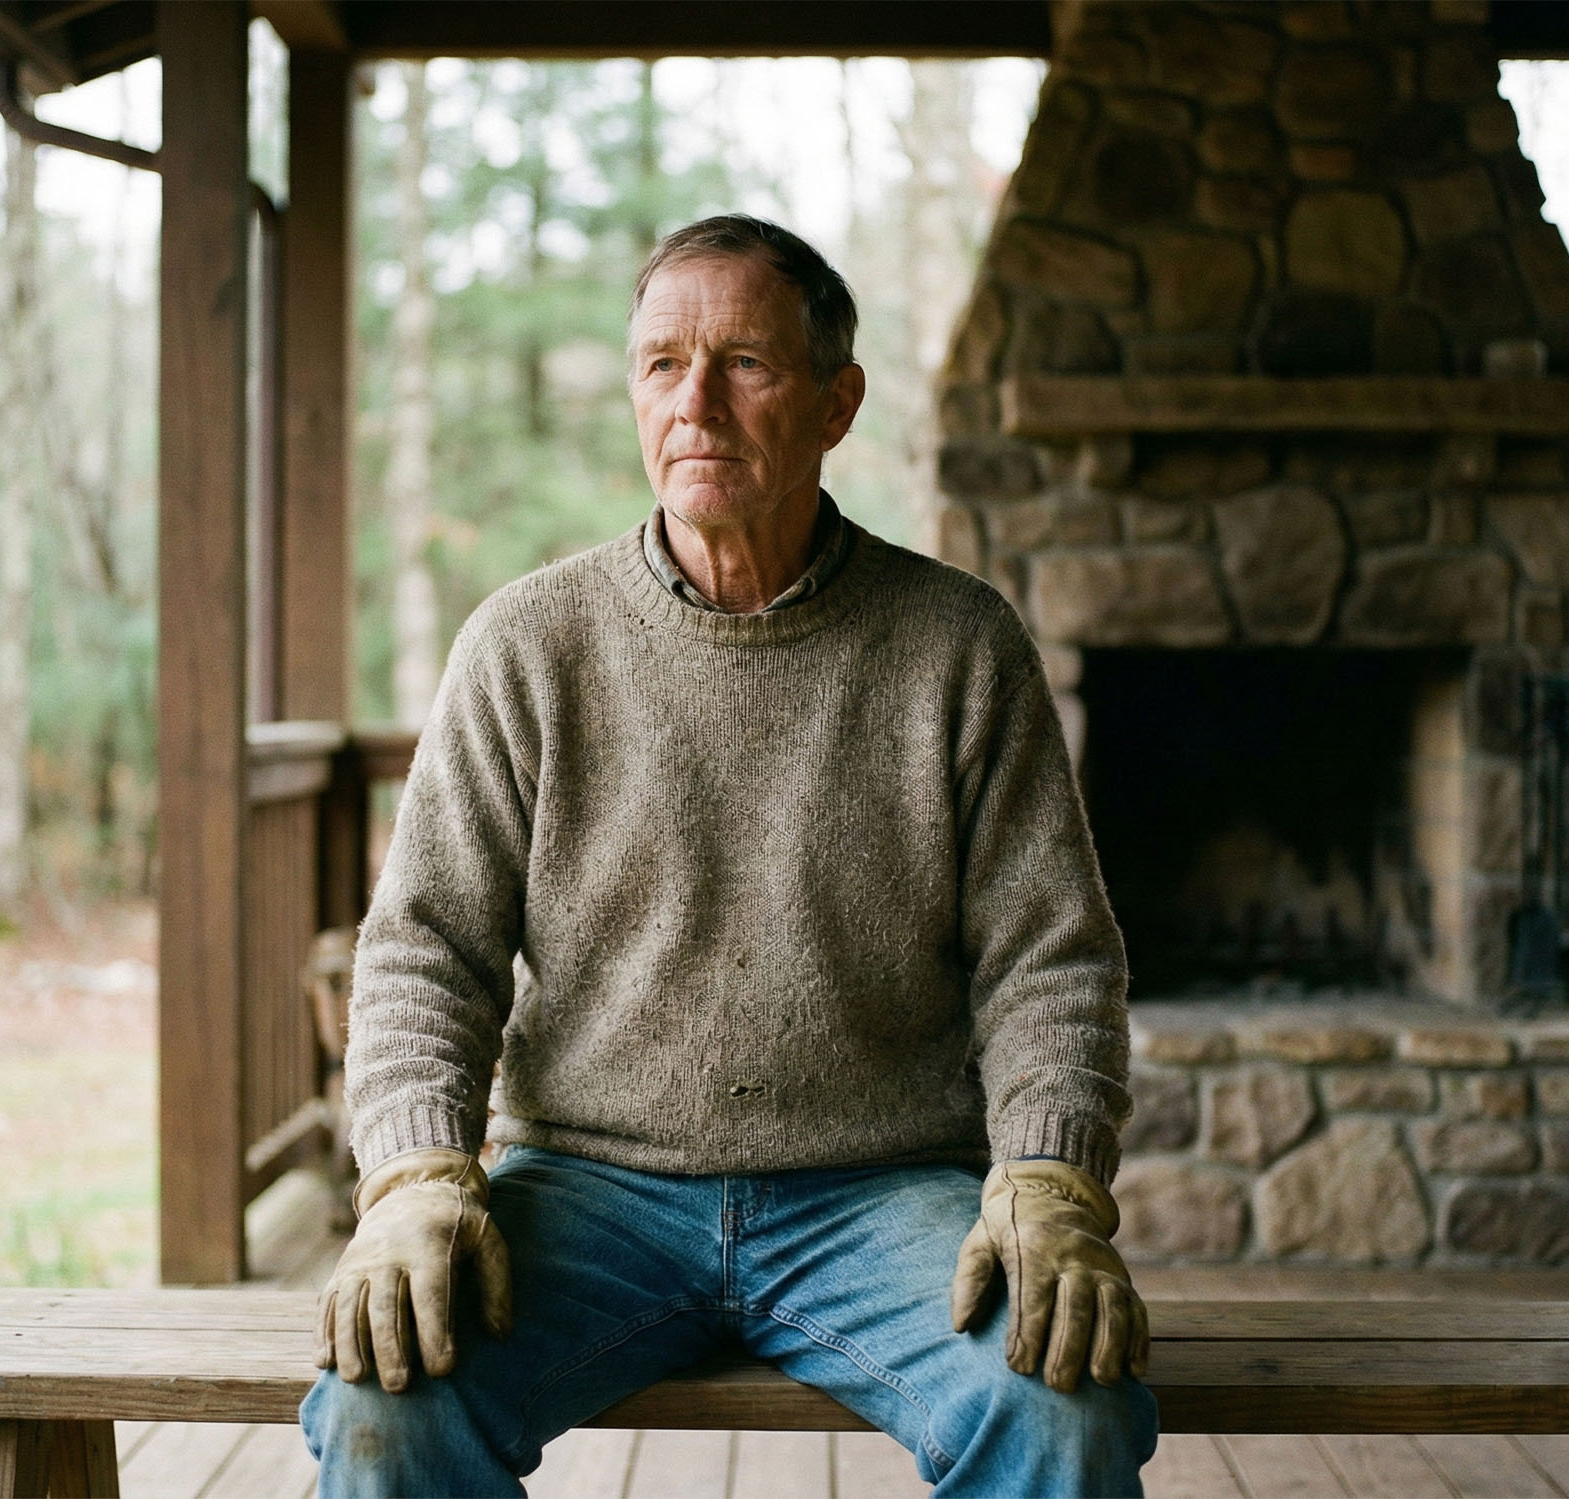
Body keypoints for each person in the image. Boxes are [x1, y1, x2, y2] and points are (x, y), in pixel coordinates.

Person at [299, 214, 1157, 1498]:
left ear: (834, 401)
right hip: (587, 1191)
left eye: (744, 362)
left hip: (882, 1197)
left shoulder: (957, 645)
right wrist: (417, 1174)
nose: (692, 401)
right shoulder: (526, 643)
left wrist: (1046, 1176)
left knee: (1061, 1406)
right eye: (659, 364)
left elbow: (1052, 960)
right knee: (388, 1404)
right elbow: (425, 947)